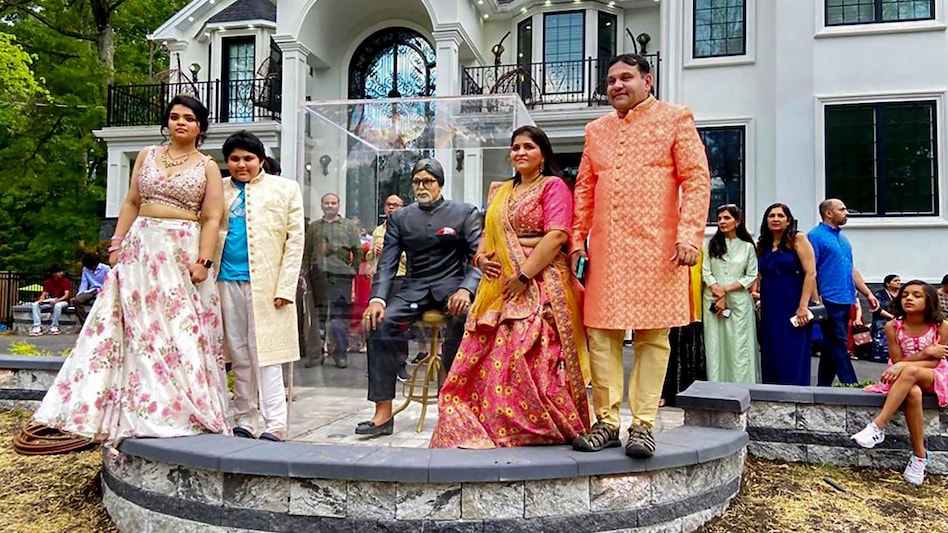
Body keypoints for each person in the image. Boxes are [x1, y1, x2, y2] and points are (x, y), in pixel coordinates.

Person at [32, 95, 228, 444]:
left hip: (180, 249)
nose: (180, 123)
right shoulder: (147, 155)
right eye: (174, 117)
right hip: (140, 246)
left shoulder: (208, 166)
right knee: (131, 324)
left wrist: (204, 260)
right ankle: (115, 401)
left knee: (175, 326)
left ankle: (174, 404)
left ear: (200, 127)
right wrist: (117, 243)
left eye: (188, 118)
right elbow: (131, 202)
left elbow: (212, 217)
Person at [569, 54, 711, 458]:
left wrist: (689, 235)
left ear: (648, 81)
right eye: (611, 79)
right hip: (606, 250)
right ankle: (608, 422)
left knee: (653, 336)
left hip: (659, 249)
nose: (616, 85)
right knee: (600, 333)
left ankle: (644, 424)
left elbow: (697, 179)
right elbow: (583, 189)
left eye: (626, 77)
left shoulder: (674, 118)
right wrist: (578, 242)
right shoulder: (595, 130)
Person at [430, 126, 591, 449]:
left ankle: (538, 424)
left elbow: (557, 235)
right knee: (483, 349)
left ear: (542, 154)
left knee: (524, 342)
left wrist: (523, 276)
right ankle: (491, 423)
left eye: (528, 147)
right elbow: (487, 240)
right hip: (499, 282)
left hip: (541, 280)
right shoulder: (500, 191)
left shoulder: (553, 187)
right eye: (515, 147)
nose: (520, 153)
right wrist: (480, 260)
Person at [359, 158, 482, 437]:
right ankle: (382, 412)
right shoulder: (401, 218)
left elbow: (479, 259)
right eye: (417, 181)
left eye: (428, 181)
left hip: (453, 288)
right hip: (413, 289)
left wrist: (466, 289)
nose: (421, 186)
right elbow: (388, 263)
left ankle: (451, 405)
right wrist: (377, 300)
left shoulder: (464, 213)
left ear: (440, 183)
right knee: (380, 324)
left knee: (464, 319)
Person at [216, 131, 304, 442]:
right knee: (238, 353)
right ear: (228, 161)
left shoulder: (285, 189)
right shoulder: (218, 190)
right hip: (224, 280)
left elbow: (295, 242)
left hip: (266, 286)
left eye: (248, 158)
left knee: (266, 353)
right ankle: (244, 419)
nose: (242, 164)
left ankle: (275, 423)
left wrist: (285, 287)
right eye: (235, 158)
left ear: (261, 161)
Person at [851, 280, 948, 486]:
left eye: (916, 295)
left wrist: (905, 365)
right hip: (905, 378)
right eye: (905, 295)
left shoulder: (941, 326)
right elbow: (897, 362)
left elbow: (935, 361)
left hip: (934, 375)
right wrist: (922, 353)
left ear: (929, 300)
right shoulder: (893, 326)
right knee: (912, 393)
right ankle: (920, 457)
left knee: (910, 371)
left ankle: (877, 426)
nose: (909, 299)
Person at [807, 199, 880, 386]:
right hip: (828, 298)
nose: (846, 212)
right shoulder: (815, 236)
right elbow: (810, 270)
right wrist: (816, 299)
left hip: (845, 297)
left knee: (831, 344)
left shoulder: (843, 239)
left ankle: (823, 387)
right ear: (828, 213)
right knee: (839, 343)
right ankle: (853, 385)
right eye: (842, 209)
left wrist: (868, 293)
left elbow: (850, 269)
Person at [756, 203, 817, 386]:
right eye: (771, 216)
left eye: (780, 216)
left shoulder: (798, 239)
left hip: (793, 301)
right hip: (770, 303)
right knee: (771, 348)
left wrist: (803, 305)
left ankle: (794, 393)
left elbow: (811, 273)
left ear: (788, 220)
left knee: (792, 350)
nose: (775, 219)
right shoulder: (763, 244)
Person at [302, 193, 361, 368]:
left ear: (338, 205)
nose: (330, 206)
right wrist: (304, 275)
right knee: (317, 318)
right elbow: (306, 253)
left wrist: (353, 272)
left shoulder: (349, 227)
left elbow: (357, 252)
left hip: (341, 277)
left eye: (333, 203)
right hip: (317, 276)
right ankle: (316, 354)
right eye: (327, 203)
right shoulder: (313, 228)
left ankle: (340, 353)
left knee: (339, 318)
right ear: (321, 205)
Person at [702, 204, 760, 384]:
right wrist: (718, 293)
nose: (722, 222)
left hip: (739, 300)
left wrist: (725, 290)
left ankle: (743, 385)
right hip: (712, 298)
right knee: (715, 344)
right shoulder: (711, 244)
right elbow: (706, 272)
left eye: (726, 218)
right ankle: (716, 385)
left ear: (737, 221)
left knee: (739, 345)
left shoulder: (748, 247)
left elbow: (751, 275)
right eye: (719, 219)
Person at [366, 194, 414, 382]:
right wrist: (374, 252)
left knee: (400, 325)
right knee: (376, 322)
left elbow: (411, 257)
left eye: (396, 205)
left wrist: (393, 253)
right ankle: (379, 368)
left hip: (401, 279)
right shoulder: (379, 230)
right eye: (388, 205)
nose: (391, 208)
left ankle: (400, 365)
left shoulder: (409, 228)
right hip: (381, 282)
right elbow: (371, 258)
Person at [661, 252, 706, 407]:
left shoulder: (699, 250)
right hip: (670, 307)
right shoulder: (667, 247)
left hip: (694, 309)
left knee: (691, 353)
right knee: (667, 351)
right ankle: (667, 393)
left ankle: (691, 393)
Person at [29, 264, 72, 336]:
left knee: (58, 306)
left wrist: (57, 301)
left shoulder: (66, 281)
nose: (61, 273)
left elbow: (66, 295)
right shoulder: (48, 282)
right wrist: (41, 300)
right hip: (51, 301)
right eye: (59, 272)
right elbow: (44, 293)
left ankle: (54, 326)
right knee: (35, 304)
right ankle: (37, 326)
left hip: (63, 302)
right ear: (54, 274)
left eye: (61, 271)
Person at [71, 253, 110, 323]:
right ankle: (84, 322)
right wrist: (79, 295)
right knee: (77, 301)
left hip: (103, 290)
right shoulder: (86, 269)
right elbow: (84, 283)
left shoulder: (105, 268)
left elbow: (109, 282)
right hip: (91, 291)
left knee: (99, 302)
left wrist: (102, 292)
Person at [870, 275, 901, 362]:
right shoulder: (879, 294)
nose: (898, 282)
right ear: (888, 283)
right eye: (895, 281)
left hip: (898, 319)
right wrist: (890, 316)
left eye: (899, 280)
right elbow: (876, 308)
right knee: (882, 329)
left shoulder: (902, 295)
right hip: (882, 319)